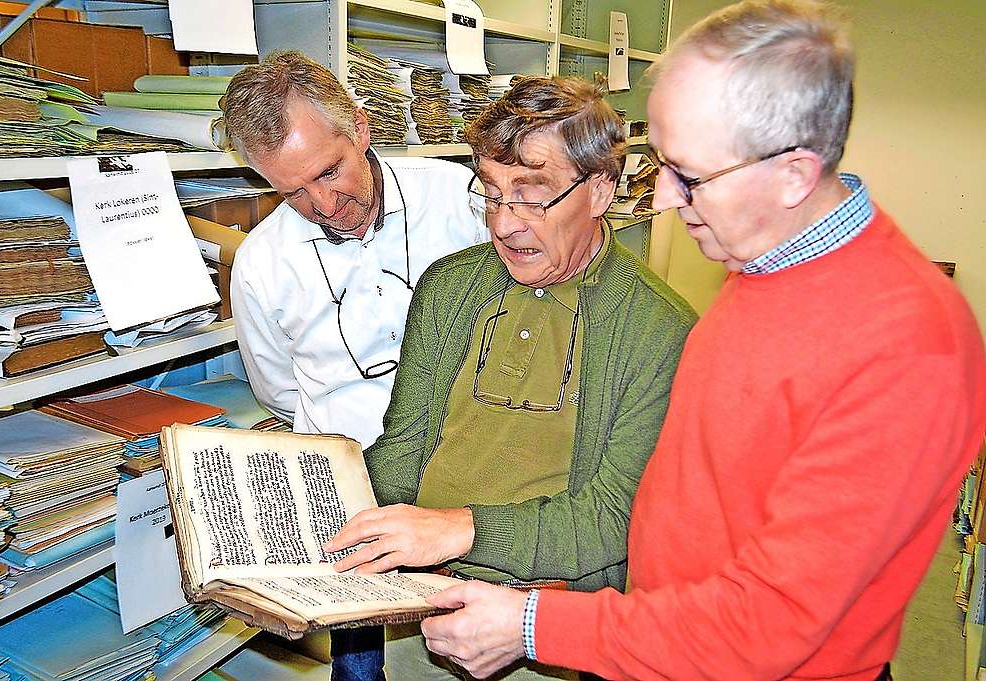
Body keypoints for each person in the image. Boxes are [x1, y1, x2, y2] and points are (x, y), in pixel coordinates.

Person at [418, 2, 986, 680]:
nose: (661, 199)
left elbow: (769, 624)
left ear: (794, 174)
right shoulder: (766, 260)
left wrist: (538, 625)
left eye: (689, 176)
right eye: (660, 163)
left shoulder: (910, 344)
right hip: (665, 645)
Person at [324, 75, 696, 679]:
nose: (503, 224)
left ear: (600, 191)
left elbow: (613, 519)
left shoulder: (659, 330)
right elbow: (405, 447)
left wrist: (459, 531)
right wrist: (317, 519)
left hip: (542, 631)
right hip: (413, 607)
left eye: (532, 196)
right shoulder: (449, 287)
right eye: (492, 194)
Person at [222, 51, 489, 681]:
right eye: (291, 191)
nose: (321, 202)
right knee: (365, 671)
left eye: (329, 171)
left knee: (475, 649)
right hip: (351, 504)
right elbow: (281, 392)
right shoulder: (262, 264)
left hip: (474, 479)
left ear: (361, 129)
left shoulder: (463, 202)